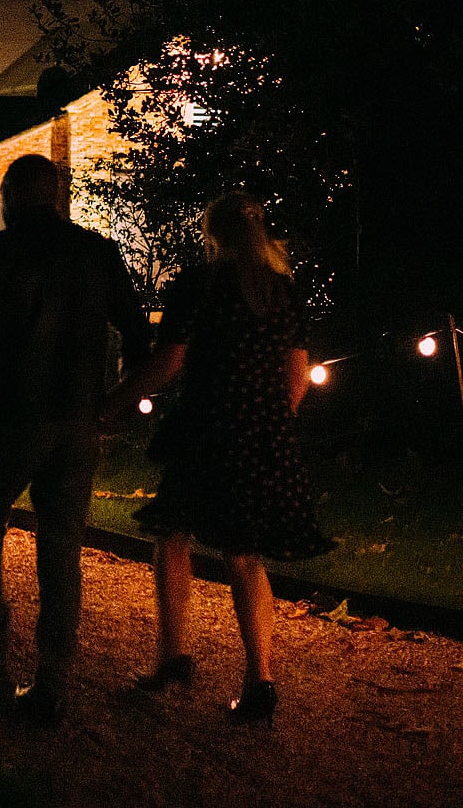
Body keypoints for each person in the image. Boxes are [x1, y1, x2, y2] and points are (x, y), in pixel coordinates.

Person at [110, 192, 334, 727]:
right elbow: (297, 374)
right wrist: (273, 421)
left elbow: (172, 359)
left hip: (206, 425)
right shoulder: (282, 291)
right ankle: (259, 678)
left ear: (215, 234)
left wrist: (119, 397)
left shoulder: (200, 283)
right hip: (261, 431)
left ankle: (174, 658)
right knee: (244, 551)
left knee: (173, 533)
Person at [0, 153, 151, 724]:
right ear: (56, 196)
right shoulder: (96, 251)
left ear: (11, 196)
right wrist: (120, 400)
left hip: (15, 421)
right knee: (60, 548)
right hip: (78, 423)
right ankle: (53, 679)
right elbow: (137, 333)